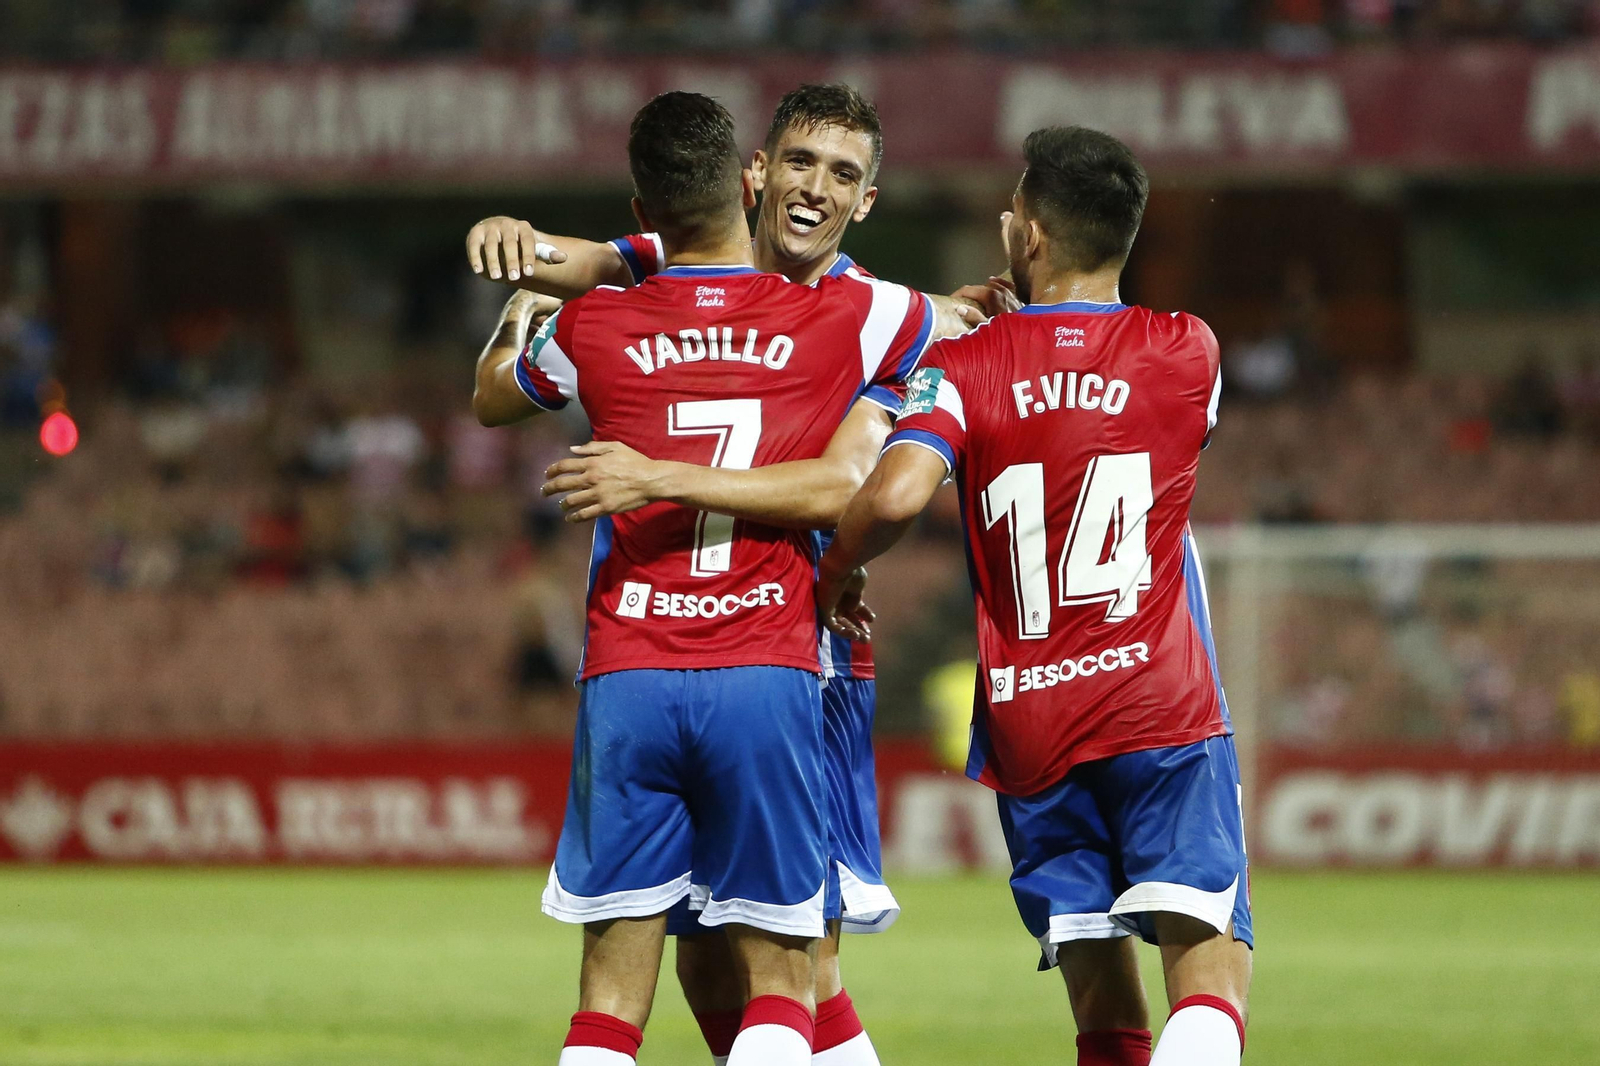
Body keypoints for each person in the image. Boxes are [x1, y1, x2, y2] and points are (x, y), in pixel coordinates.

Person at [469, 83, 1012, 1066]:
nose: (815, 189)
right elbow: (591, 254)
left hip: (798, 655)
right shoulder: (690, 273)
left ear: (866, 200)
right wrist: (528, 242)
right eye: (801, 163)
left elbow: (853, 481)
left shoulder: (858, 306)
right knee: (710, 964)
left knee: (805, 962)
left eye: (842, 175)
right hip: (742, 665)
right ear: (755, 174)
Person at [817, 127, 1253, 1066]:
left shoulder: (965, 367)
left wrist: (837, 569)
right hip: (1158, 707)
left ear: (1031, 239)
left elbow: (892, 497)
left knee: (1105, 1013)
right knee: (1209, 986)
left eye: (1016, 209)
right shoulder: (1187, 349)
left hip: (1030, 722)